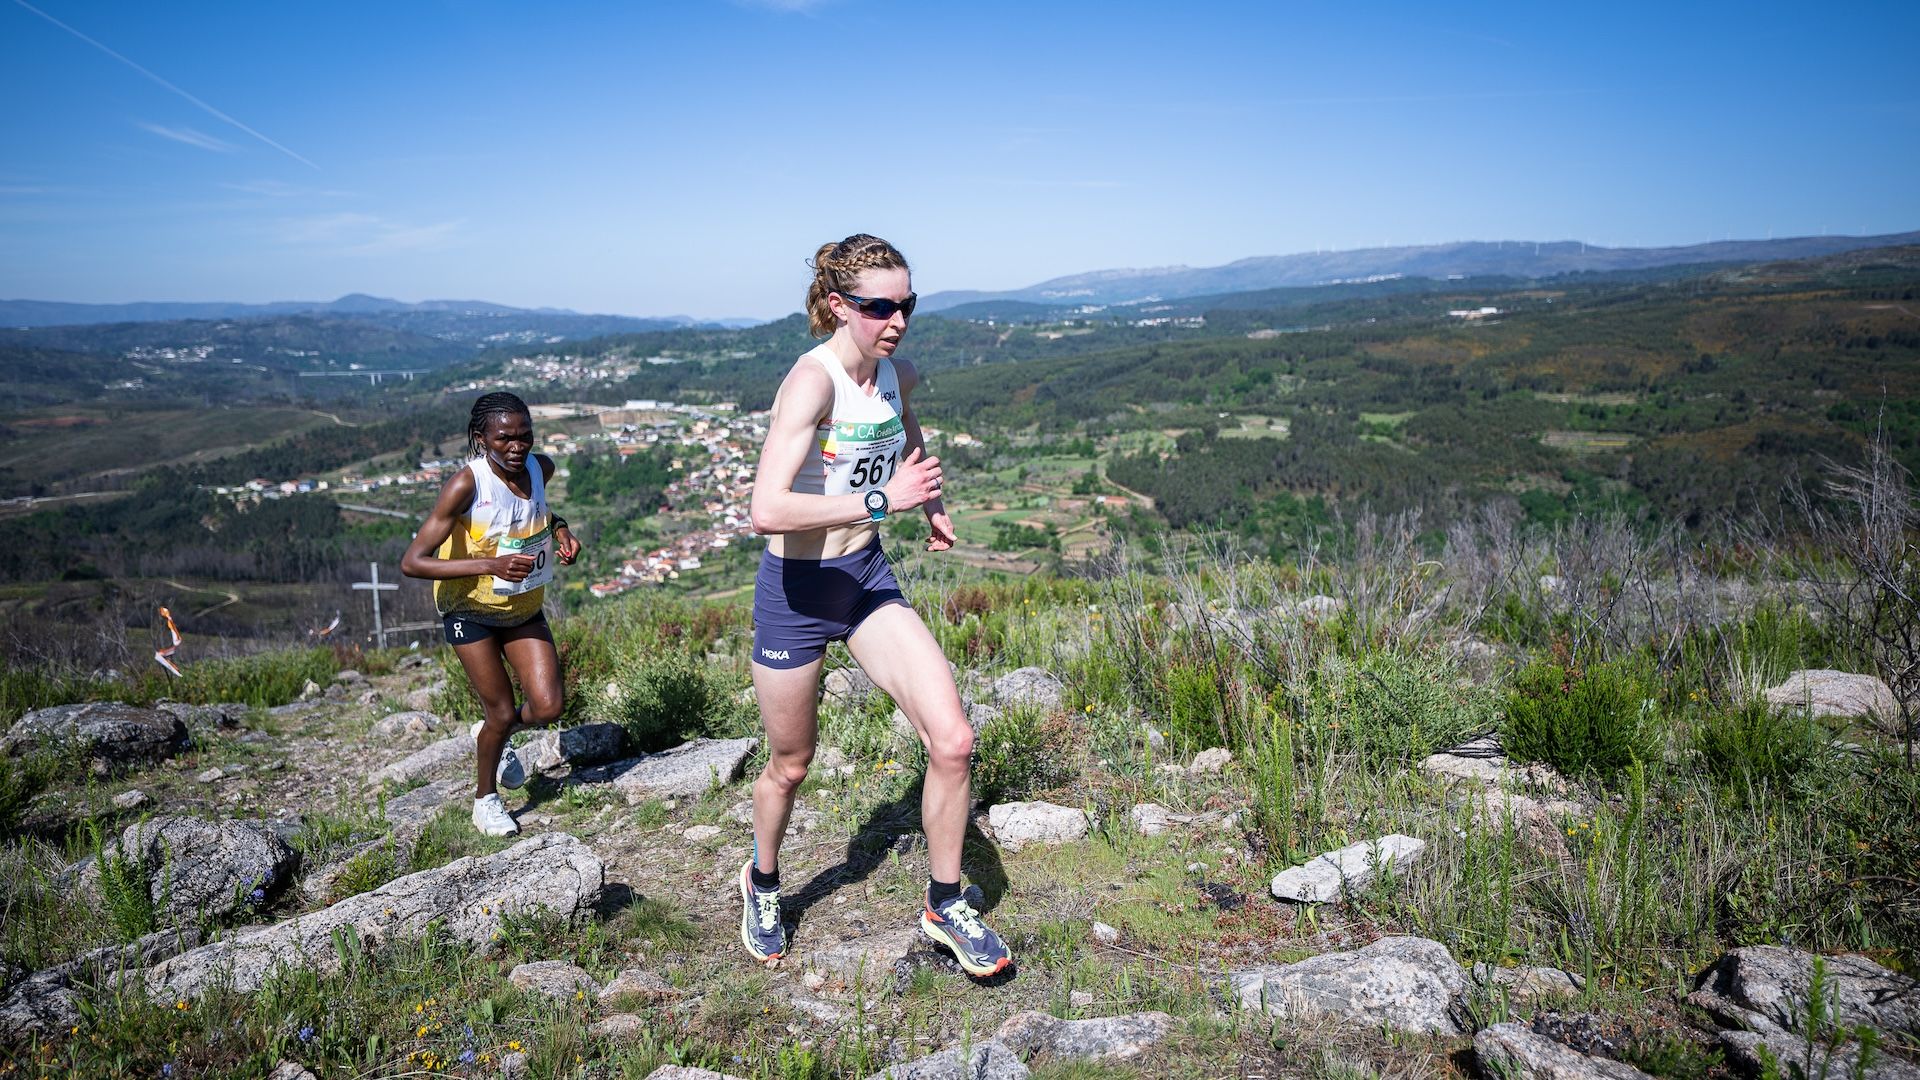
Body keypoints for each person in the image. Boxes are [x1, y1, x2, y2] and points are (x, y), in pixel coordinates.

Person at [741, 234, 1010, 976]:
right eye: (879, 306)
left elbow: (905, 429)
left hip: (864, 580)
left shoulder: (898, 372)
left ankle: (945, 903)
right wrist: (879, 496)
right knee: (791, 766)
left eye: (907, 304)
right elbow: (765, 506)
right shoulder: (811, 382)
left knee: (952, 740)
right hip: (795, 594)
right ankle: (762, 882)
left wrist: (929, 504)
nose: (897, 319)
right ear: (838, 305)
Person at [401, 391, 581, 837]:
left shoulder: (541, 468)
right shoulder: (467, 485)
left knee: (549, 706)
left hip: (522, 605)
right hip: (470, 611)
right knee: (501, 711)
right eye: (504, 439)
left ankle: (490, 733)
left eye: (525, 436)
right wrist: (489, 564)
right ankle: (485, 800)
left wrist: (560, 529)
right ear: (482, 440)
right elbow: (413, 561)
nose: (517, 446)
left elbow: (535, 510)